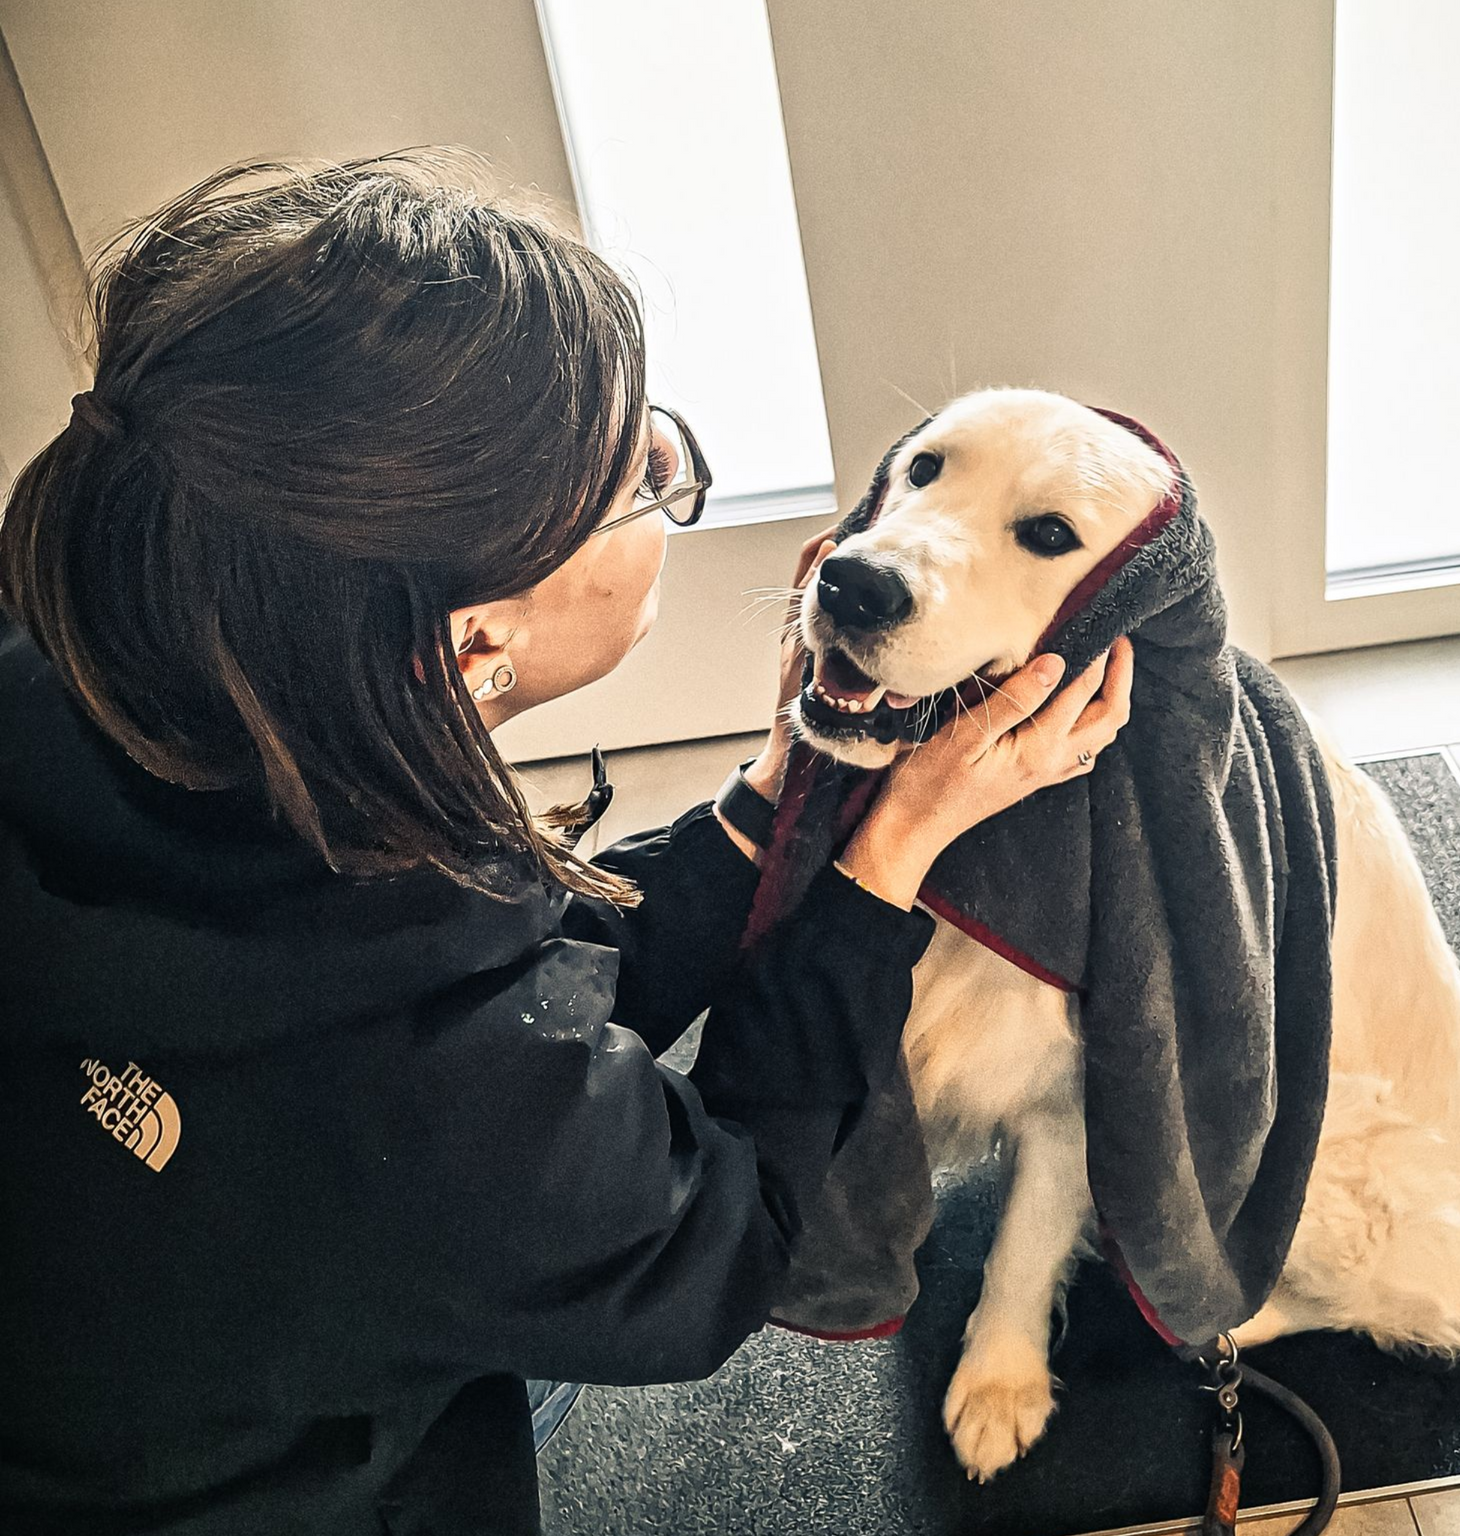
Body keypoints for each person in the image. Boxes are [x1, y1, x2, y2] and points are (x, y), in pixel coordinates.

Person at [0, 153, 1133, 1536]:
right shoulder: (429, 1104)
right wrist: (876, 874)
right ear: (471, 644)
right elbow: (716, 1238)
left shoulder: (114, 643)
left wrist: (772, 801)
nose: (667, 478)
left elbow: (500, 986)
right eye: (639, 479)